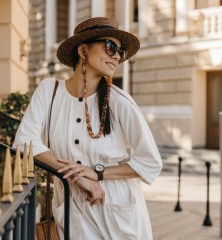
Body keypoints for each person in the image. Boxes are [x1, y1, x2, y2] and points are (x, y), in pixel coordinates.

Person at [12, 17, 162, 240]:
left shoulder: (119, 101)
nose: (116, 56)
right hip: (71, 209)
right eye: (110, 47)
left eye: (119, 51)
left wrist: (97, 173)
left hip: (115, 211)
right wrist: (78, 177)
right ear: (83, 49)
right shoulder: (49, 91)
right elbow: (25, 140)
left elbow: (150, 162)